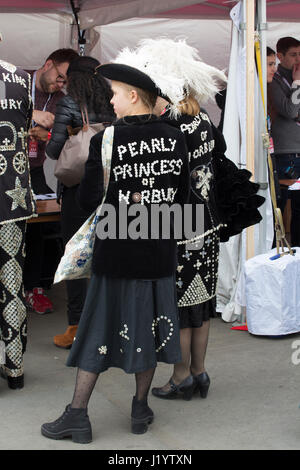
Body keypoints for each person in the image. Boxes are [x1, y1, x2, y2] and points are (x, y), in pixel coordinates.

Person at [41, 62, 190, 443]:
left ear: (134, 96)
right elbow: (183, 198)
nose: (110, 100)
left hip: (117, 251)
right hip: (159, 251)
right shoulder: (176, 137)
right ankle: (139, 409)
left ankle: (78, 414)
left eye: (115, 93)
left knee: (95, 331)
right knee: (150, 328)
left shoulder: (107, 139)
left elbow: (91, 199)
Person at [115, 38, 227, 399]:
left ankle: (180, 376)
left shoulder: (170, 126)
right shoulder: (205, 119)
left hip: (179, 226)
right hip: (206, 223)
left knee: (181, 305)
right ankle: (199, 372)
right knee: (201, 305)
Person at [45, 56, 115, 349]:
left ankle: (76, 327)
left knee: (75, 257)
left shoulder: (70, 102)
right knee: (105, 256)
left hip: (77, 190)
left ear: (73, 77)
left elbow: (53, 150)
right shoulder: (112, 101)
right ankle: (108, 323)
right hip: (108, 186)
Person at [24, 48, 79, 315]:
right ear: (47, 64)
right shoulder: (16, 82)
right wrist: (31, 113)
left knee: (40, 225)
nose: (60, 84)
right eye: (59, 77)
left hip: (33, 171)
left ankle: (35, 287)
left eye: (64, 82)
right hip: (6, 170)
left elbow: (73, 135)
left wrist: (50, 134)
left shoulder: (61, 100)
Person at [0, 57, 35, 389]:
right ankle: (15, 369)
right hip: (14, 196)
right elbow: (24, 125)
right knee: (12, 282)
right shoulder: (21, 78)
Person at [269, 36, 300, 247]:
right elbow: (290, 110)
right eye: (293, 54)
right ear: (280, 56)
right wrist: (297, 84)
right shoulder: (275, 80)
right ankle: (274, 247)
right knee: (279, 204)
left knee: (299, 206)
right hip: (285, 151)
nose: (298, 59)